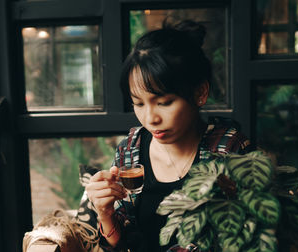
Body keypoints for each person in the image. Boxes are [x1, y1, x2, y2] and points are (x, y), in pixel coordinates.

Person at [82, 19, 252, 252]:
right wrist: (105, 212)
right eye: (138, 104)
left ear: (200, 93)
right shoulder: (130, 151)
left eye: (164, 103)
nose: (150, 118)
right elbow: (120, 246)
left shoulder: (229, 149)